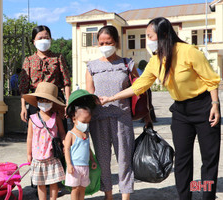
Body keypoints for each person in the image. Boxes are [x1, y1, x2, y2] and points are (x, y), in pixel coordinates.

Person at [100, 17, 221, 200]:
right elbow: (139, 85)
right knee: (182, 160)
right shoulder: (156, 61)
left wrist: (215, 105)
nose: (147, 40)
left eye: (150, 36)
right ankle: (185, 196)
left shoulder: (189, 51)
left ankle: (207, 195)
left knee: (209, 159)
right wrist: (111, 97)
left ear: (163, 35)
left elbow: (210, 80)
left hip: (204, 107)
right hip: (180, 111)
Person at [85, 25, 151, 200]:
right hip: (98, 119)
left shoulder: (127, 64)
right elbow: (89, 93)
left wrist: (147, 116)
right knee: (103, 160)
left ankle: (125, 196)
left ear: (116, 42)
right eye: (102, 42)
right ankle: (108, 195)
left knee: (124, 159)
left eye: (109, 42)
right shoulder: (91, 66)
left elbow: (140, 89)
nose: (105, 45)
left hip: (122, 118)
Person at [19, 25, 71, 128]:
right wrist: (23, 107)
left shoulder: (58, 58)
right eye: (40, 38)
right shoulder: (29, 60)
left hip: (56, 100)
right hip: (36, 101)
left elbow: (67, 82)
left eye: (46, 38)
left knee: (59, 134)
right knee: (37, 133)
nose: (43, 40)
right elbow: (24, 87)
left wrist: (68, 103)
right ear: (34, 41)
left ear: (51, 39)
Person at [23, 82, 66, 200]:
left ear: (53, 103)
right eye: (42, 100)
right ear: (37, 101)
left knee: (54, 181)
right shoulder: (33, 119)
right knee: (40, 183)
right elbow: (29, 138)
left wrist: (64, 144)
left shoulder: (56, 118)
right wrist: (29, 153)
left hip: (52, 156)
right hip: (38, 158)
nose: (45, 103)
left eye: (48, 101)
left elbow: (62, 133)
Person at [64, 89, 98, 200]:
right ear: (74, 119)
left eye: (88, 122)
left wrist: (92, 160)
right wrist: (69, 164)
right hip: (74, 167)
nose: (86, 124)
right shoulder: (71, 134)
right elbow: (66, 149)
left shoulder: (86, 134)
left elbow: (88, 149)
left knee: (83, 188)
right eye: (83, 122)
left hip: (85, 167)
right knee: (75, 188)